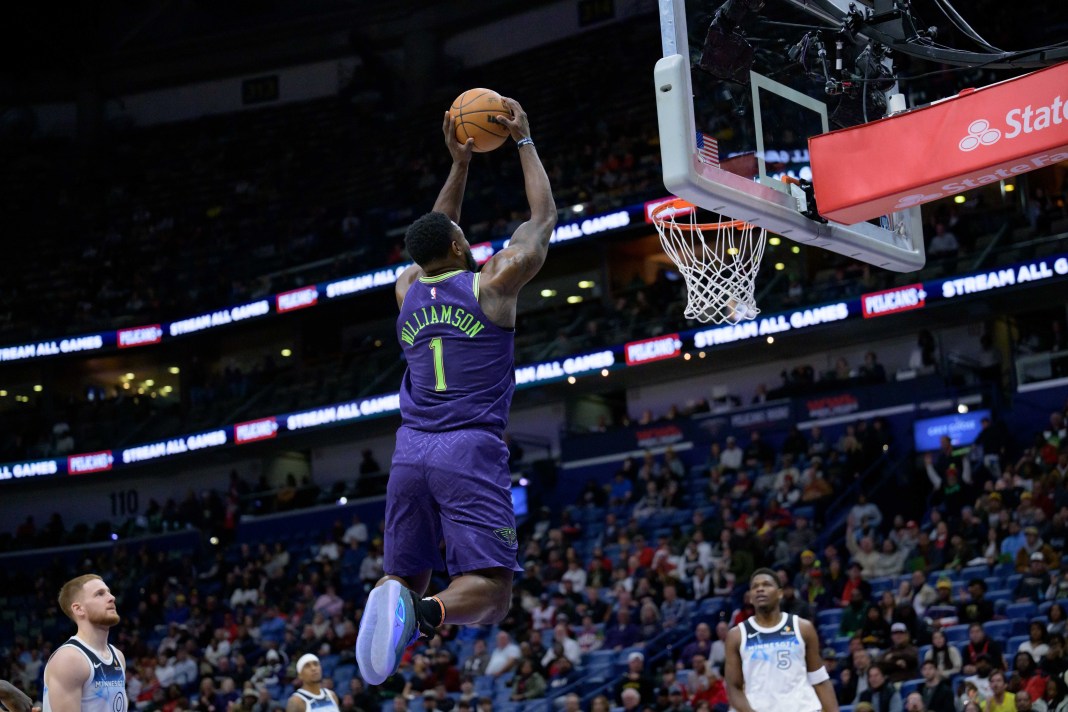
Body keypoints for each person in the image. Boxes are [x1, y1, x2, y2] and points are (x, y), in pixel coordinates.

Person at [355, 98, 556, 685]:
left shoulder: (406, 287)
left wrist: (460, 166)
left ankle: (398, 598)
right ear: (463, 247)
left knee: (408, 573)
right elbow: (542, 219)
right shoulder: (493, 281)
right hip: (467, 447)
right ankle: (424, 614)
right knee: (493, 595)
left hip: (409, 451)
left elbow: (431, 233)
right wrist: (524, 142)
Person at [724, 568, 838, 712]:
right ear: (751, 597)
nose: (760, 589)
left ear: (780, 593)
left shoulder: (802, 628)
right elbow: (734, 687)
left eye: (766, 585)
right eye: (755, 587)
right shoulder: (737, 635)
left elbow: (819, 679)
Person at [43, 574, 127, 712]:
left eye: (109, 592)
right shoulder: (69, 659)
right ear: (78, 609)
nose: (112, 598)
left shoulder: (118, 656)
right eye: (99, 594)